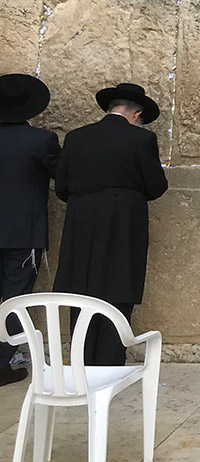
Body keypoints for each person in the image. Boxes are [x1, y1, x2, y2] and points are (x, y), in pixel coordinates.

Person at [54, 83, 168, 365]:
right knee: (117, 293)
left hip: (81, 224)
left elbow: (62, 187)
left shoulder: (76, 138)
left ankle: (81, 365)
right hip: (122, 225)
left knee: (82, 294)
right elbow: (156, 186)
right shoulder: (141, 140)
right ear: (135, 114)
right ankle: (109, 366)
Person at [0, 74, 61, 385]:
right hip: (23, 232)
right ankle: (1, 363)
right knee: (13, 298)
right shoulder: (40, 141)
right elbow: (62, 177)